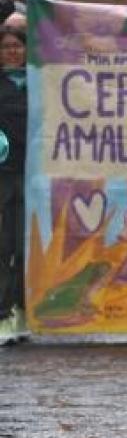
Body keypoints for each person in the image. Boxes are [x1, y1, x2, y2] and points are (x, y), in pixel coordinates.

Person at [0, 26, 29, 344]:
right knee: (3, 247)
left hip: (31, 175)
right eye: (5, 46)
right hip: (3, 176)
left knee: (24, 248)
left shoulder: (40, 82)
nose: (11, 52)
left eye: (17, 46)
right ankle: (3, 314)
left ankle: (22, 310)